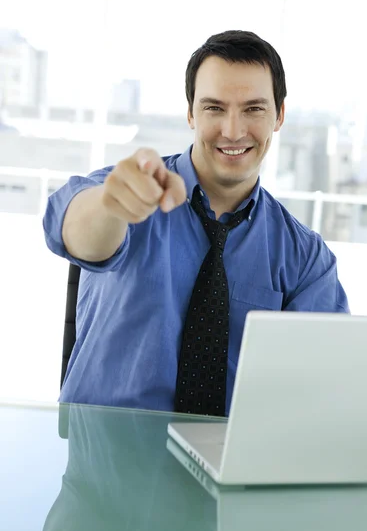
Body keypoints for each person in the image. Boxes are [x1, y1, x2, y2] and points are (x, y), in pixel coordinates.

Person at [43, 30, 349, 414]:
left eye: (253, 109)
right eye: (214, 108)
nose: (233, 131)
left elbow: (329, 385)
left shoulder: (305, 258)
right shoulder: (131, 190)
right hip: (108, 463)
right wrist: (112, 207)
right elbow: (76, 231)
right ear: (190, 113)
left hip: (230, 467)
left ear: (279, 115)